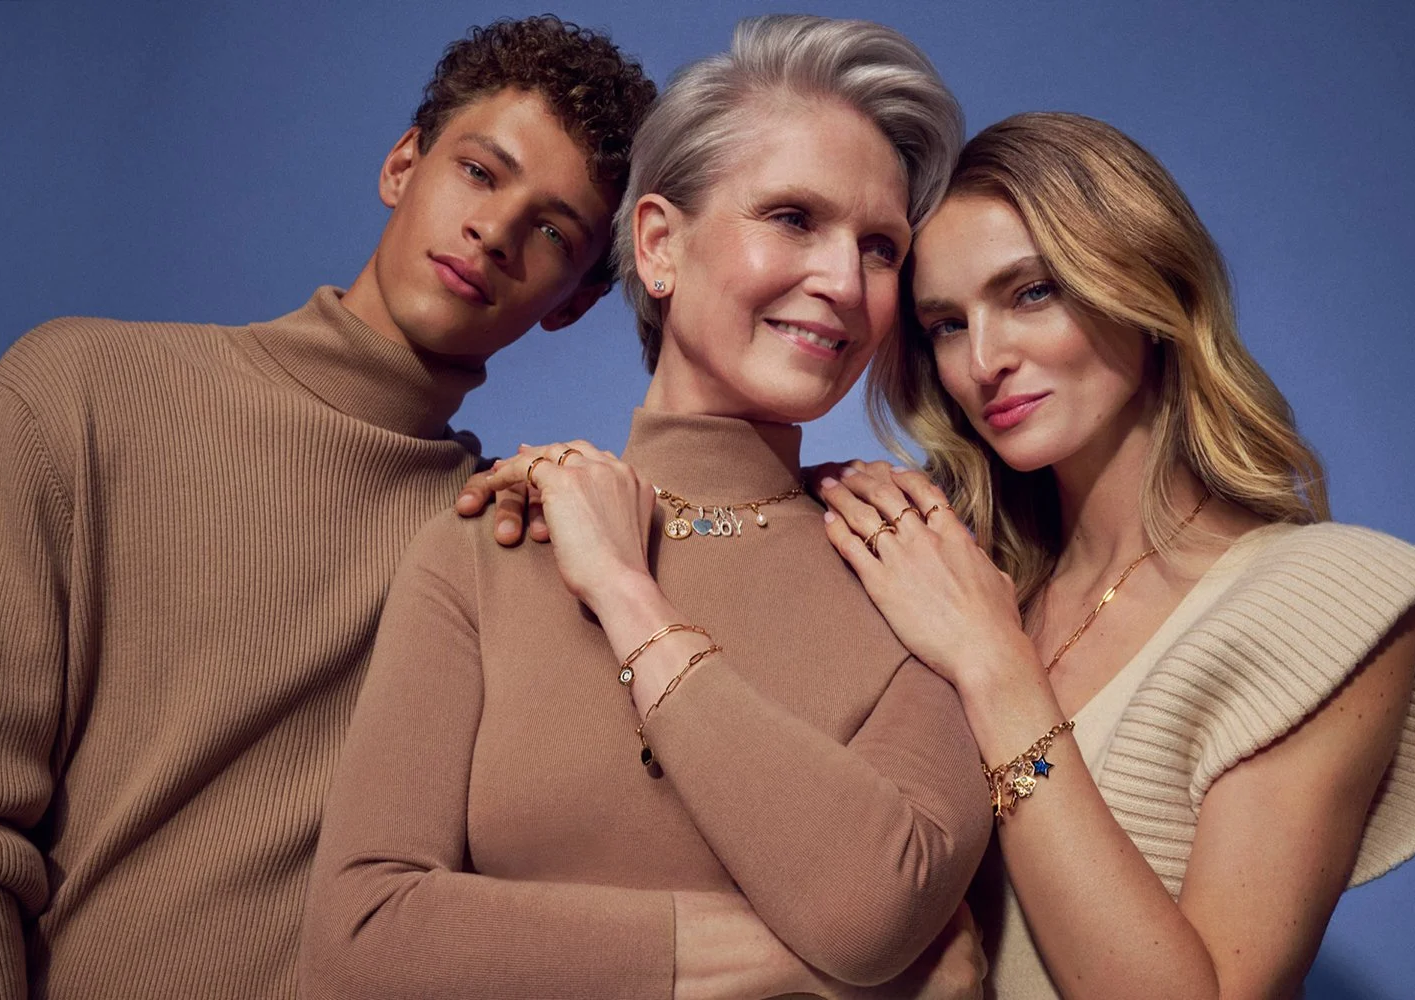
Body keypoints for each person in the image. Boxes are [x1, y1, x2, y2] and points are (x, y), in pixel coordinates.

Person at [0, 16, 655, 999]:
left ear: (572, 303)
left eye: (551, 231)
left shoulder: (504, 534)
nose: (493, 232)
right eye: (480, 174)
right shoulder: (81, 393)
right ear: (403, 164)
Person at [300, 15, 991, 1000]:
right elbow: (363, 942)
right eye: (794, 217)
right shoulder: (492, 542)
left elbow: (871, 905)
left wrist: (630, 598)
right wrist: (792, 969)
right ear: (659, 244)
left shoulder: (912, 564)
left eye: (880, 248)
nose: (843, 281)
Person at [819, 111, 1415, 999]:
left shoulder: (1327, 603)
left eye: (1031, 292)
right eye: (947, 325)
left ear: (1144, 288)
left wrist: (997, 668)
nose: (985, 360)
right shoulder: (950, 573)